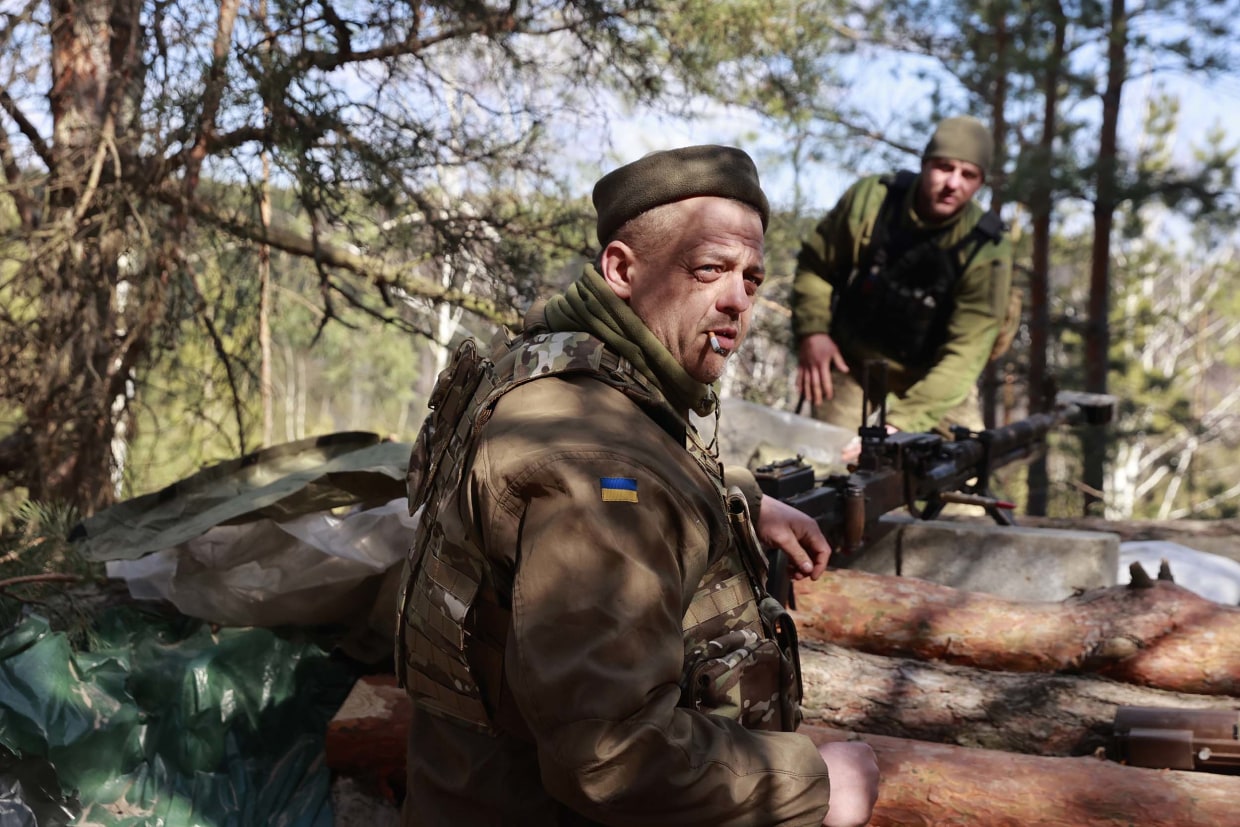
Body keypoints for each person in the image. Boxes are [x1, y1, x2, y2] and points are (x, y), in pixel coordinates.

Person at [396, 145, 880, 826]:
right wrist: (815, 784)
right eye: (709, 268)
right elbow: (608, 755)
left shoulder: (556, 369)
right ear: (622, 269)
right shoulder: (596, 465)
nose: (737, 299)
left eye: (752, 278)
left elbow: (616, 475)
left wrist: (735, 496)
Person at [792, 116, 1014, 461]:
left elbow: (965, 355)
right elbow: (815, 267)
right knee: (830, 470)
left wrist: (901, 424)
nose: (952, 183)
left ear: (980, 183)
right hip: (854, 365)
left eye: (968, 175)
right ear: (925, 165)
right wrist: (813, 332)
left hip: (935, 380)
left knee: (965, 475)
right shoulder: (872, 200)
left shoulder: (987, 247)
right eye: (944, 168)